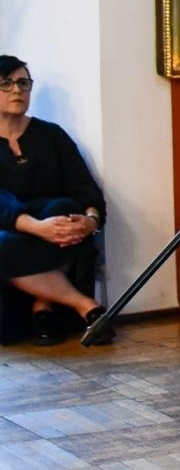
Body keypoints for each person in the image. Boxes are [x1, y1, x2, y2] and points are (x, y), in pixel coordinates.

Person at [0, 56, 109, 347]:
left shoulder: (51, 135)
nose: (17, 90)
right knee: (2, 243)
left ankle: (43, 305)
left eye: (23, 83)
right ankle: (85, 306)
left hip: (55, 226)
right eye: (6, 84)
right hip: (10, 227)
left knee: (65, 211)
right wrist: (36, 227)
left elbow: (85, 188)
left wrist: (91, 221)